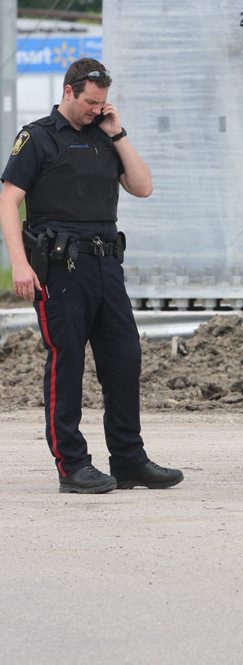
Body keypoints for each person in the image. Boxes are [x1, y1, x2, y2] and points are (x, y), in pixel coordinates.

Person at [0, 58, 184, 494]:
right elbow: (8, 201)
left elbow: (142, 187)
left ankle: (129, 460)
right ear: (68, 92)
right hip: (60, 270)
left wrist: (117, 133)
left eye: (101, 102)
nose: (95, 109)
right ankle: (73, 466)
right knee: (67, 365)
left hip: (106, 265)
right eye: (89, 102)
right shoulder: (38, 138)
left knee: (124, 360)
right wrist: (19, 265)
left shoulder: (106, 136)